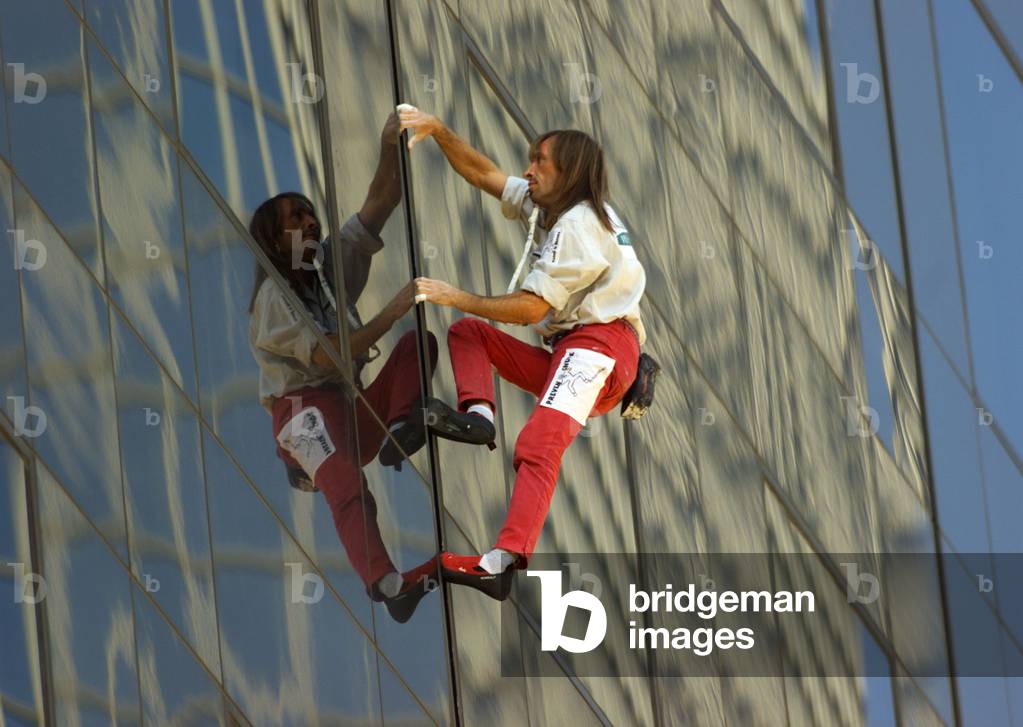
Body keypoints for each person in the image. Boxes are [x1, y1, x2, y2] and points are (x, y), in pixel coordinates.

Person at [398, 105, 646, 601]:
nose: (528, 170)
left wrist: (455, 294)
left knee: (539, 443)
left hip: (597, 348)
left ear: (571, 172)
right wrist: (440, 130)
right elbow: (485, 173)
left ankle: (502, 561)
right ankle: (479, 416)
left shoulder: (578, 225)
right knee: (471, 335)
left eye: (540, 161)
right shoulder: (555, 206)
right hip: (576, 352)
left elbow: (533, 309)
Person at [247, 113, 437, 622]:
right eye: (295, 218)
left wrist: (387, 145)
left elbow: (381, 202)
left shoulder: (326, 271)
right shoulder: (273, 298)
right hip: (301, 412)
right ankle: (384, 582)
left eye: (310, 214)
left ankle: (400, 425)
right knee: (347, 485)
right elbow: (331, 353)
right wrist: (390, 311)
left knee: (419, 344)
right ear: (272, 239)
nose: (310, 222)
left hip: (346, 409)